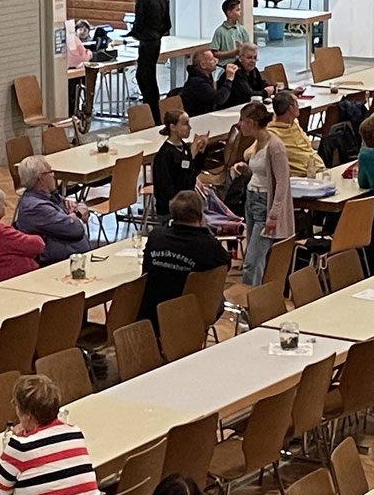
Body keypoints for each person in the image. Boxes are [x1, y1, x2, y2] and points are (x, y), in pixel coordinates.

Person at [138, 189, 231, 323]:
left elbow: (145, 269)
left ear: (173, 214)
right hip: (191, 314)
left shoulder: (156, 237)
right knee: (218, 298)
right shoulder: (208, 245)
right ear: (200, 216)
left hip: (152, 313)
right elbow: (224, 267)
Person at [235, 101, 292, 287]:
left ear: (251, 122)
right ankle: (256, 295)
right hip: (251, 199)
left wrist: (273, 215)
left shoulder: (275, 147)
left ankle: (249, 301)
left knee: (251, 262)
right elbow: (261, 173)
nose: (240, 124)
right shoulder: (257, 143)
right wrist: (245, 170)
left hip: (264, 205)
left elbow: (282, 183)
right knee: (254, 258)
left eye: (242, 120)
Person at [131, 0, 171, 120]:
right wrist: (158, 34)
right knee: (146, 74)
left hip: (147, 41)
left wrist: (135, 34)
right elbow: (168, 23)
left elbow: (139, 21)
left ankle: (152, 109)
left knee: (145, 76)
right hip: (157, 40)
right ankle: (152, 106)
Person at [150, 110, 205, 215]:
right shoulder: (164, 155)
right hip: (172, 210)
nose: (189, 127)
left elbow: (191, 173)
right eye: (185, 124)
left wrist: (200, 154)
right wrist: (180, 206)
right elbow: (165, 188)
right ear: (173, 127)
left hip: (186, 204)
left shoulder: (183, 147)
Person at [266, 88, 323, 178]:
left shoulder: (294, 122)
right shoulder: (271, 133)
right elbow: (249, 153)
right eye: (296, 104)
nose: (299, 106)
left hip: (317, 167)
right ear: (290, 108)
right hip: (303, 176)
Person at [215, 41, 269, 109]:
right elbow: (248, 95)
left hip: (245, 107)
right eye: (249, 58)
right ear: (240, 58)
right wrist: (265, 92)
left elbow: (263, 84)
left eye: (255, 58)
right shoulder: (235, 71)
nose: (253, 61)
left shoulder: (254, 70)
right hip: (230, 109)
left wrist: (271, 88)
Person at [177, 49, 221, 116]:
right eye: (211, 59)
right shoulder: (196, 82)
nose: (216, 60)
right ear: (203, 65)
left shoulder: (207, 75)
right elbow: (218, 99)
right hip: (197, 116)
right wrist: (229, 79)